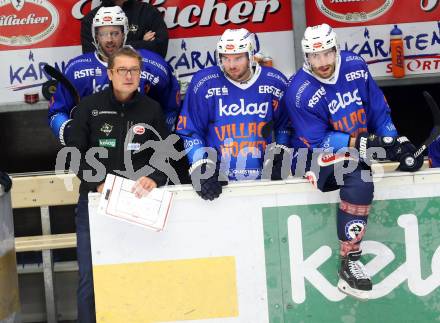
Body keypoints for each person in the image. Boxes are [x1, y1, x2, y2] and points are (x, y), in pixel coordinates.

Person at [282, 24, 423, 300]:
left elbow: (379, 113)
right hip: (314, 157)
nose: (321, 62)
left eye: (326, 54)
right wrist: (362, 144)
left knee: (381, 160)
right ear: (306, 57)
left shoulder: (356, 65)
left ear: (336, 49)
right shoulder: (298, 91)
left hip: (359, 147)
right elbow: (316, 140)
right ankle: (349, 261)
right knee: (358, 177)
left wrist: (394, 142)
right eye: (314, 56)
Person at [69, 46, 169, 322]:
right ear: (110, 73)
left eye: (134, 70)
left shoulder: (152, 109)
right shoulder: (89, 107)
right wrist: (97, 183)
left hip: (138, 203)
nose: (129, 76)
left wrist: (155, 178)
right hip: (94, 202)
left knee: (141, 272)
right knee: (91, 277)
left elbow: (166, 157)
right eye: (122, 70)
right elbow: (74, 155)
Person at [175, 28, 291, 201]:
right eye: (226, 58)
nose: (231, 65)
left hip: (263, 183)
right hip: (219, 182)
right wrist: (200, 164)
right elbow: (189, 130)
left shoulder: (274, 81)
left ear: (251, 55)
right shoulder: (204, 83)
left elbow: (286, 125)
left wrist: (282, 150)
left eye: (238, 58)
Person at [48, 6, 180, 146]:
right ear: (95, 36)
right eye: (103, 34)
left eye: (115, 33)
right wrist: (69, 131)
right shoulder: (77, 69)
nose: (109, 39)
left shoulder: (152, 65)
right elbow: (56, 112)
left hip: (139, 151)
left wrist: (161, 137)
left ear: (124, 33)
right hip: (94, 152)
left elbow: (171, 106)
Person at [81, 0, 169, 58]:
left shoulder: (147, 11)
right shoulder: (91, 19)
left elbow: (160, 48)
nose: (110, 39)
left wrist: (111, 48)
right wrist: (142, 43)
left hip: (145, 76)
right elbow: (92, 56)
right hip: (106, 79)